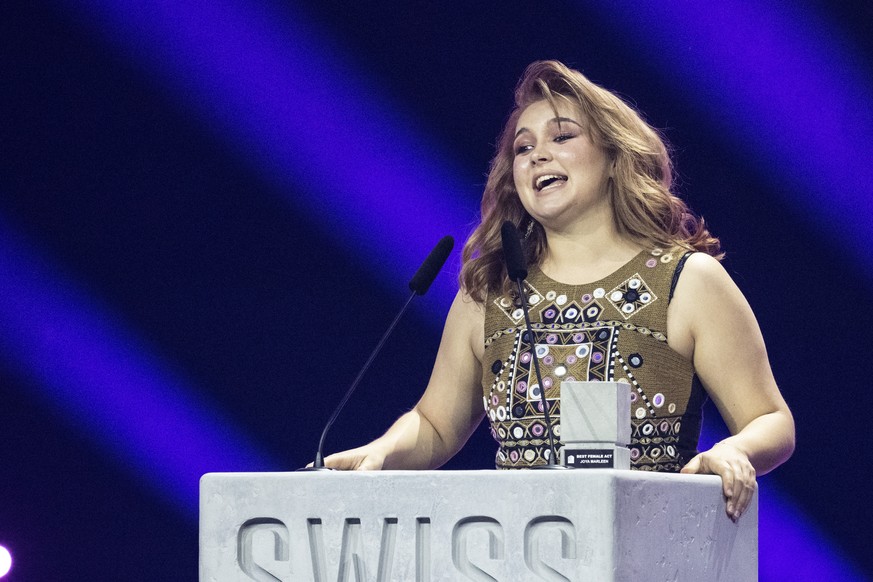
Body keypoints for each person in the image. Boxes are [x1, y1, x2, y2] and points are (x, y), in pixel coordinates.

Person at [322, 60, 795, 522]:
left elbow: (771, 419)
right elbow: (434, 425)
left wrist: (735, 452)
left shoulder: (687, 281)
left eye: (562, 136)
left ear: (614, 157)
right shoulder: (491, 292)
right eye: (523, 149)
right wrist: (382, 452)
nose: (537, 155)